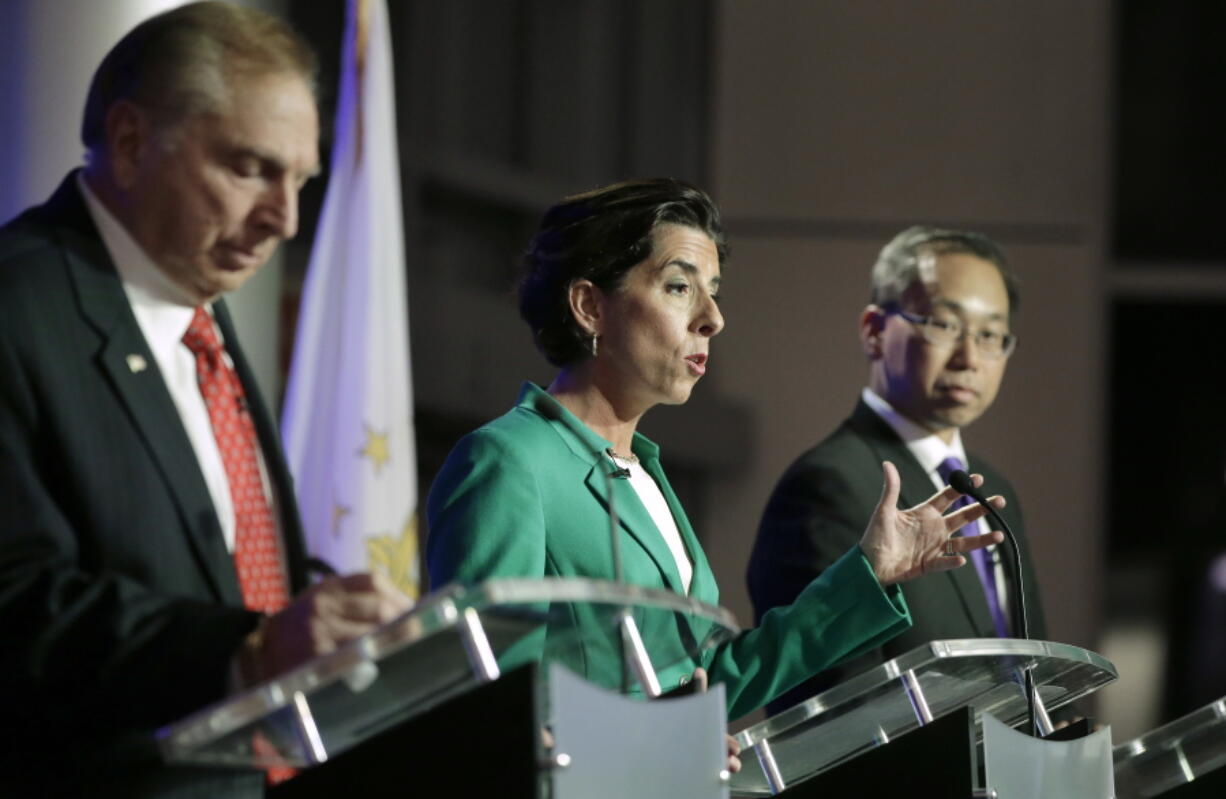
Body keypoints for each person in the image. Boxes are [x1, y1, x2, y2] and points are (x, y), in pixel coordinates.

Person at [0, 4, 408, 796]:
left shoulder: (201, 319)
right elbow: (13, 600)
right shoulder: (20, 309)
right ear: (128, 142)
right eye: (250, 167)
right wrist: (246, 650)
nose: (283, 220)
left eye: (301, 181)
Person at [426, 183, 1005, 722]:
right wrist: (643, 743)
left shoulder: (644, 475)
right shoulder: (508, 462)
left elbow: (711, 682)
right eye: (680, 287)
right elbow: (486, 707)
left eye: (714, 293)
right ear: (589, 306)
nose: (714, 318)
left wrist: (869, 576)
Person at [747, 226, 1049, 715]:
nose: (970, 358)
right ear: (873, 330)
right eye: (944, 324)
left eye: (991, 335)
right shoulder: (829, 484)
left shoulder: (992, 490)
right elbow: (836, 707)